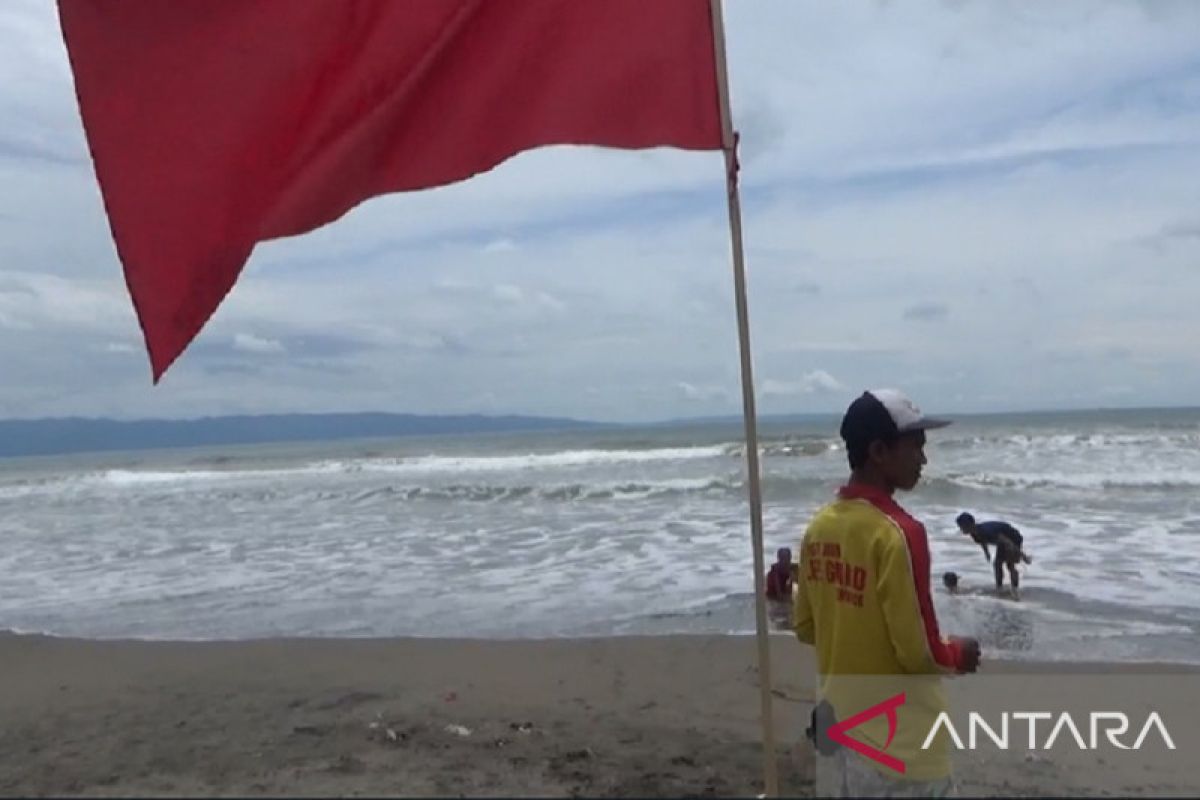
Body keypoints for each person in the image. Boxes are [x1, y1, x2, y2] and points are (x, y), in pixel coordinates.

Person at [794, 389, 980, 797]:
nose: (924, 460)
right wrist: (959, 653)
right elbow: (920, 654)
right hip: (902, 748)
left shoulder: (818, 527)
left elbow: (806, 626)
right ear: (879, 451)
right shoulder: (898, 533)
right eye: (915, 447)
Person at [956, 512, 1031, 599]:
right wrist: (986, 553)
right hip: (1002, 542)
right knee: (997, 564)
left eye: (962, 526)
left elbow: (1007, 542)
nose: (961, 529)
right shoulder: (974, 533)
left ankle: (1015, 589)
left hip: (1013, 538)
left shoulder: (986, 531)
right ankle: (999, 588)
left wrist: (1023, 556)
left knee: (1010, 565)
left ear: (970, 525)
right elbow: (982, 541)